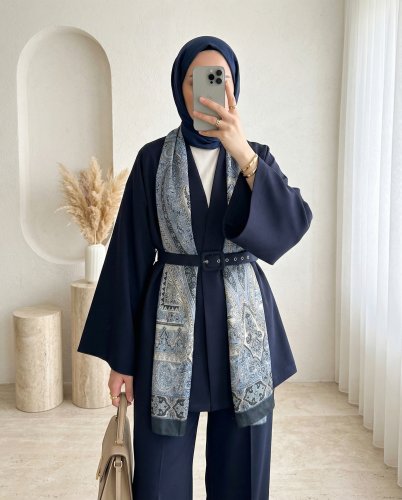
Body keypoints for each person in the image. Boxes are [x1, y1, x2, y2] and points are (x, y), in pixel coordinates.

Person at [77, 35, 313, 500]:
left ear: (233, 85)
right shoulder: (152, 159)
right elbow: (128, 257)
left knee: (242, 474)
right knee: (158, 479)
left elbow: (291, 225)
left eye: (218, 77)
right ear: (179, 88)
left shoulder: (256, 157)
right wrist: (122, 360)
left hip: (243, 334)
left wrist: (243, 152)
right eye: (194, 79)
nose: (206, 89)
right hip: (168, 331)